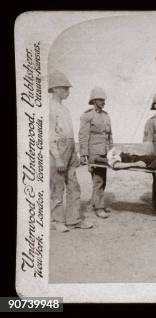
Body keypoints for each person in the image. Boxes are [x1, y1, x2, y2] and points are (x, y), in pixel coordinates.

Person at [48, 71, 93, 232]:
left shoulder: (64, 109)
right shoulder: (50, 108)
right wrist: (58, 158)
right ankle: (57, 220)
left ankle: (73, 219)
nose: (68, 92)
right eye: (64, 88)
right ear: (54, 89)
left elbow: (69, 133)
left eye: (68, 88)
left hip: (70, 148)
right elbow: (50, 136)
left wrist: (75, 153)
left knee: (74, 184)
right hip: (57, 150)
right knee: (57, 186)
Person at [79, 86, 113, 219]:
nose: (104, 102)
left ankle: (95, 203)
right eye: (101, 100)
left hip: (104, 152)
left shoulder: (106, 115)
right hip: (94, 153)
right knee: (98, 179)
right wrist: (83, 154)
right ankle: (99, 208)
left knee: (102, 180)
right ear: (94, 100)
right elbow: (83, 136)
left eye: (104, 99)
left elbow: (110, 135)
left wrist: (111, 151)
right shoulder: (87, 116)